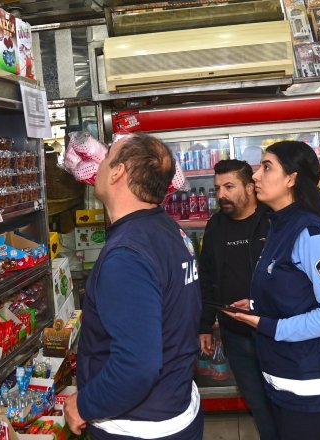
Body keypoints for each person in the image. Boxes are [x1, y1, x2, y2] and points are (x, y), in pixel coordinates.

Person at [64, 133, 204, 440]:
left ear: (117, 172)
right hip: (175, 405)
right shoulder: (167, 229)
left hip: (138, 428)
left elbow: (138, 366)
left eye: (107, 157)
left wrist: (83, 406)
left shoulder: (127, 255)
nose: (98, 164)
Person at [224, 141, 320, 440]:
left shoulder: (313, 235)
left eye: (266, 167)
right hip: (285, 377)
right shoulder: (279, 225)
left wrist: (269, 324)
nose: (256, 176)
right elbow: (293, 291)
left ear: (292, 179)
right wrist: (258, 305)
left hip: (311, 386)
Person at [197, 159, 277, 440]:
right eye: (217, 188)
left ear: (250, 186)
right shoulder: (216, 225)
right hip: (235, 335)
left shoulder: (273, 220)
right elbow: (206, 276)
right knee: (258, 404)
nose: (221, 195)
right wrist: (205, 324)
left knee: (282, 403)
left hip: (275, 332)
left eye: (229, 187)